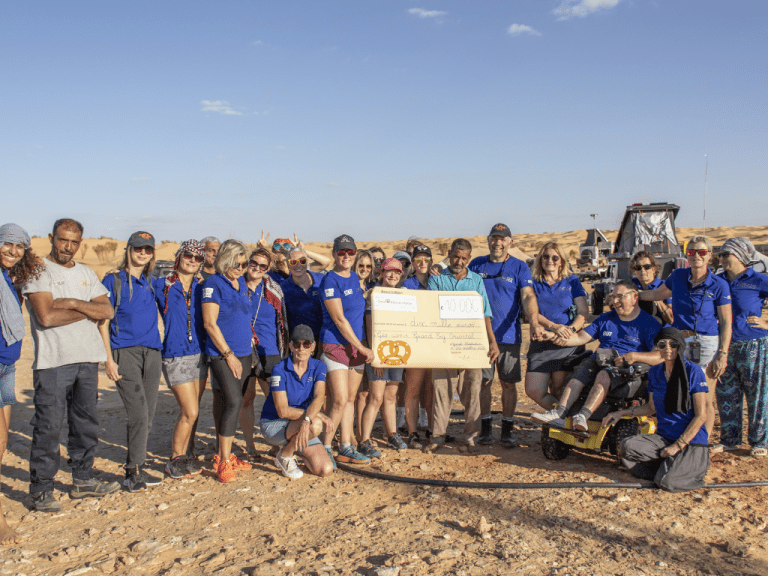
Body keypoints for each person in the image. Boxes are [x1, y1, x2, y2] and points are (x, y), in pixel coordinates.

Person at [22, 219, 121, 512]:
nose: (68, 247)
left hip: (87, 359)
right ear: (52, 237)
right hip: (53, 361)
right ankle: (41, 490)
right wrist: (88, 310)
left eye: (74, 242)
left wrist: (72, 303)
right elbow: (46, 317)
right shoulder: (38, 270)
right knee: (48, 427)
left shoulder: (86, 272)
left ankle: (82, 480)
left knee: (85, 423)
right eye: (63, 240)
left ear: (81, 243)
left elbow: (108, 310)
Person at [533, 281, 662, 431]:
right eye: (613, 297)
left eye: (620, 297)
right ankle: (560, 413)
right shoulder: (606, 318)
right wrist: (551, 336)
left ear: (634, 297)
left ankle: (582, 416)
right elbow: (580, 338)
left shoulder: (650, 324)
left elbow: (659, 356)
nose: (614, 302)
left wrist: (635, 356)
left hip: (625, 367)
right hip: (600, 359)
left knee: (603, 375)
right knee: (579, 373)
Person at [640, 236, 732, 436]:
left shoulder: (719, 284)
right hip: (678, 342)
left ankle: (702, 444)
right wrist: (629, 295)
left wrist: (722, 354)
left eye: (701, 252)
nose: (695, 256)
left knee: (703, 395)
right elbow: (657, 294)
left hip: (706, 343)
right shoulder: (677, 276)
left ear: (709, 255)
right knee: (680, 389)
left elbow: (726, 322)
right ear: (686, 254)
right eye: (691, 252)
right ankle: (680, 435)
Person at [603, 327, 710, 492]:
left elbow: (701, 416)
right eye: (662, 345)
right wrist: (622, 413)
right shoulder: (654, 372)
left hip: (691, 442)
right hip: (664, 438)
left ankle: (687, 468)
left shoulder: (693, 371)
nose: (668, 349)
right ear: (657, 348)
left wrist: (678, 445)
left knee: (667, 482)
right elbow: (651, 407)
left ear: (680, 346)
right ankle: (672, 465)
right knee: (628, 446)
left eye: (673, 344)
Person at [468, 224, 546, 447]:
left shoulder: (519, 267)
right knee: (484, 382)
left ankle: (508, 428)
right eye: (494, 238)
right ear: (488, 240)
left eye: (502, 239)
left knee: (508, 384)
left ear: (510, 242)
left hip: (509, 336)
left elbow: (528, 296)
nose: (498, 242)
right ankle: (484, 428)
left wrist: (533, 321)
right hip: (480, 336)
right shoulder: (476, 264)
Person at [98, 232, 163, 492]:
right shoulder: (112, 280)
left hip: (153, 352)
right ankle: (131, 472)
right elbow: (103, 321)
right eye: (138, 248)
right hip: (125, 352)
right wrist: (108, 360)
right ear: (129, 250)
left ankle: (138, 465)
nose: (143, 254)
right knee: (137, 413)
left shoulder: (151, 281)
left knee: (148, 414)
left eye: (148, 249)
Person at [425, 238, 499, 453]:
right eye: (456, 256)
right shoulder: (437, 278)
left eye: (464, 258)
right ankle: (437, 437)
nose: (459, 261)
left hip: (471, 345)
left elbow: (485, 312)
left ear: (469, 258)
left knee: (472, 391)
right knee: (442, 390)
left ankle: (471, 437)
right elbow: (431, 308)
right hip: (443, 345)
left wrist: (492, 342)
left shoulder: (476, 280)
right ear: (450, 254)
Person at [0, 224, 42, 543]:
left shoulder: (11, 279)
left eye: (19, 247)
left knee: (1, 444)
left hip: (7, 364)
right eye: (7, 243)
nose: (13, 250)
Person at [201, 239, 254, 482]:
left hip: (244, 352)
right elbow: (210, 323)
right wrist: (228, 355)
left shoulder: (240, 282)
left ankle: (226, 454)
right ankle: (223, 461)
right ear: (226, 260)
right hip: (223, 354)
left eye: (244, 264)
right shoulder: (213, 283)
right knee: (234, 402)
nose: (241, 269)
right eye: (237, 264)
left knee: (226, 400)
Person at [319, 235, 375, 465]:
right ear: (334, 254)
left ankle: (346, 446)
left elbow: (356, 307)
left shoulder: (354, 277)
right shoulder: (329, 281)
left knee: (351, 398)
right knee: (340, 400)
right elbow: (340, 320)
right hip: (336, 345)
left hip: (356, 347)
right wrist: (362, 347)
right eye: (341, 253)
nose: (346, 257)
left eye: (350, 253)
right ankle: (324, 447)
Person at [154, 240, 207, 479]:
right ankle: (174, 459)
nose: (192, 261)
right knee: (190, 411)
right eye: (189, 255)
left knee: (191, 412)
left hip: (200, 353)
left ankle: (184, 454)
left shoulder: (202, 286)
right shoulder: (162, 285)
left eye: (198, 258)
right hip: (176, 353)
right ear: (179, 255)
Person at [714, 238, 768, 456]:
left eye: (727, 254)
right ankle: (730, 439)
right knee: (726, 393)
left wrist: (766, 323)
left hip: (753, 344)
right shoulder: (717, 281)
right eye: (721, 254)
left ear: (741, 257)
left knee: (757, 395)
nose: (722, 258)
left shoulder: (758, 280)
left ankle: (759, 442)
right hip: (724, 345)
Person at [260, 325, 335, 479]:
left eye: (306, 344)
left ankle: (291, 448)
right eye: (297, 344)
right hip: (275, 423)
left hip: (303, 425)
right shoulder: (279, 369)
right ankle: (285, 455)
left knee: (325, 469)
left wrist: (306, 420)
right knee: (316, 425)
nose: (301, 349)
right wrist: (314, 417)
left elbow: (319, 397)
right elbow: (283, 411)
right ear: (290, 346)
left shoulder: (318, 366)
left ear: (313, 346)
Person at [524, 242, 588, 411]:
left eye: (554, 257)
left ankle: (561, 425)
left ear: (561, 261)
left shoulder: (572, 281)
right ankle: (563, 417)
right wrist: (554, 327)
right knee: (533, 390)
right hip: (542, 339)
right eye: (545, 256)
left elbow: (583, 311)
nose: (549, 260)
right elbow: (531, 312)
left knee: (560, 388)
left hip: (567, 343)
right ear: (540, 259)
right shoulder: (533, 282)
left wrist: (571, 331)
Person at [357, 258, 409, 458]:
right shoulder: (374, 294)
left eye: (397, 272)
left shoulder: (402, 295)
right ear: (381, 272)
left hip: (397, 353)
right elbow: (370, 327)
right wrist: (377, 358)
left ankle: (392, 434)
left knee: (390, 396)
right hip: (378, 354)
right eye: (389, 272)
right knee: (376, 397)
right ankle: (364, 440)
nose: (393, 276)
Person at [240, 247, 289, 458]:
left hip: (269, 349)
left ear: (267, 268)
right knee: (247, 398)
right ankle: (250, 445)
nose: (257, 268)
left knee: (274, 398)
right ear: (248, 262)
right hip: (242, 349)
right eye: (254, 263)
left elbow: (282, 322)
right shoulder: (235, 285)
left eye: (263, 266)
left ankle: (277, 443)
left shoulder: (274, 289)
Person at [402, 244, 434, 448]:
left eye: (426, 260)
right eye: (418, 260)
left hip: (434, 344)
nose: (422, 264)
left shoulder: (438, 282)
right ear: (413, 262)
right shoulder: (407, 285)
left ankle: (433, 429)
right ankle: (413, 431)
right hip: (415, 343)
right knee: (413, 388)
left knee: (432, 389)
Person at [281, 245, 324, 343]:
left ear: (307, 262)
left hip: (323, 338)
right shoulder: (283, 288)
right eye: (293, 262)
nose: (298, 265)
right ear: (288, 265)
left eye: (302, 261)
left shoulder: (321, 279)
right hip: (300, 342)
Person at [630, 251, 673, 325]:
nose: (642, 271)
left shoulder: (664, 286)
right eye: (638, 268)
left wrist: (656, 298)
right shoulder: (631, 284)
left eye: (647, 267)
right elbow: (609, 298)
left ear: (654, 269)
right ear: (634, 270)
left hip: (660, 328)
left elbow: (672, 319)